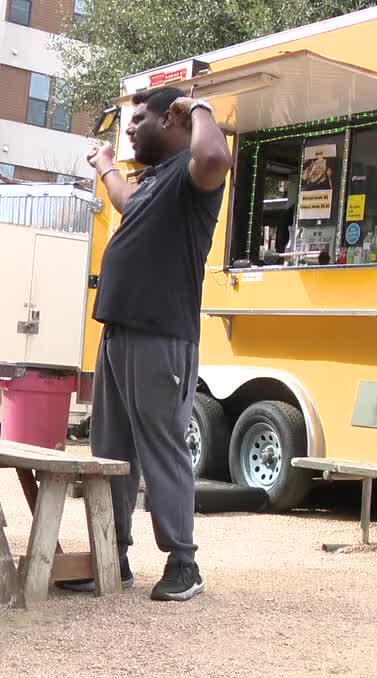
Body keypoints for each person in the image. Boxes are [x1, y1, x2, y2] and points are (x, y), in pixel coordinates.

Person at [59, 86, 231, 601]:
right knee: (110, 452)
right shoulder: (156, 179)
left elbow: (216, 154)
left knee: (161, 449)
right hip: (119, 330)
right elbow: (125, 202)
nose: (129, 129)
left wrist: (200, 105)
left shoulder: (193, 172)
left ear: (173, 120)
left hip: (162, 333)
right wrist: (106, 163)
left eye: (139, 121)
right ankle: (115, 558)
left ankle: (184, 565)